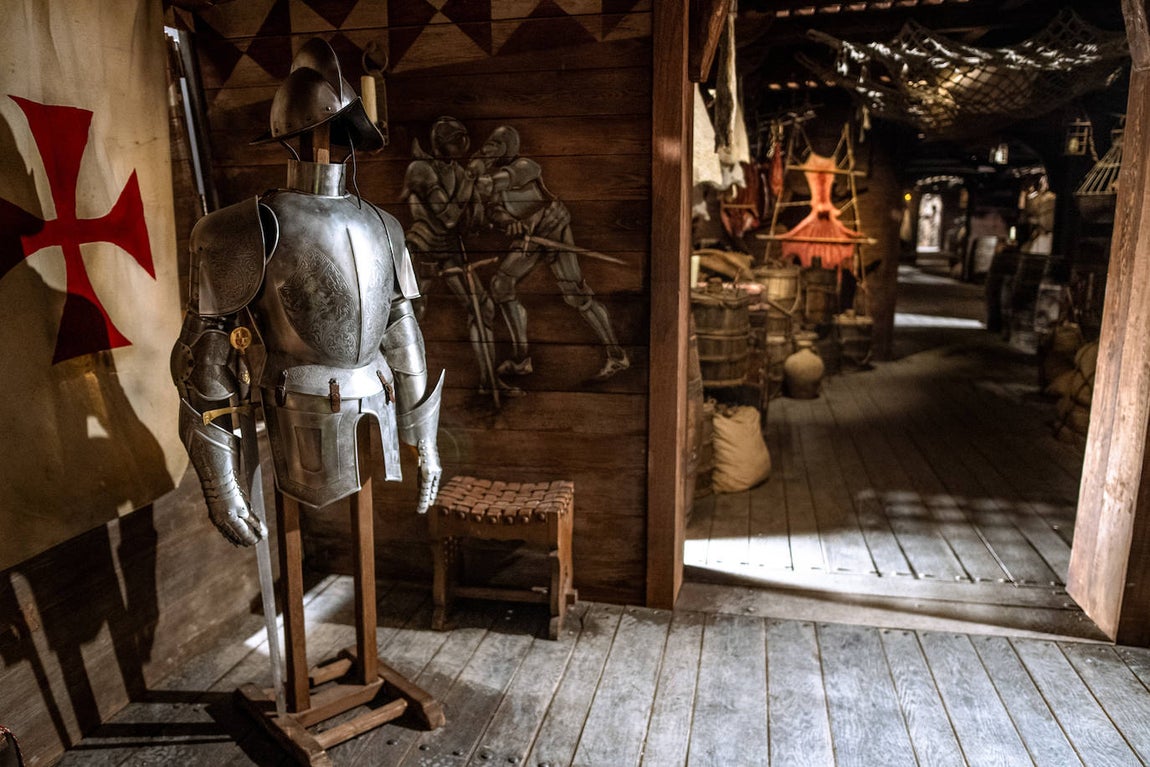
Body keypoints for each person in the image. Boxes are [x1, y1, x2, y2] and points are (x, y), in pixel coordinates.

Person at [171, 38, 442, 546]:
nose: (332, 143)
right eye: (330, 131)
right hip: (293, 408)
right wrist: (222, 487)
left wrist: (423, 440)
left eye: (339, 133)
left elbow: (401, 331)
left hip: (373, 406)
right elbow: (203, 359)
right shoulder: (237, 229)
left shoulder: (384, 226)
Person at [471, 125, 630, 381]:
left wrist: (476, 175)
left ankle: (617, 356)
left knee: (577, 295)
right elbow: (495, 211)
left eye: (497, 146)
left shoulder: (525, 166)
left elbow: (500, 182)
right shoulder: (492, 178)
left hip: (553, 228)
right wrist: (508, 221)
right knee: (501, 285)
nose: (493, 152)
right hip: (530, 239)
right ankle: (522, 359)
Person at [401, 117, 512, 401]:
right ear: (440, 142)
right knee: (408, 318)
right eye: (454, 140)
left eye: (462, 139)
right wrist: (468, 186)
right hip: (423, 248)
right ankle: (404, 391)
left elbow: (470, 221)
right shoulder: (420, 169)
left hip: (451, 249)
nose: (461, 146)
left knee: (482, 309)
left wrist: (502, 220)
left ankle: (489, 381)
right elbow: (448, 216)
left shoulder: (460, 173)